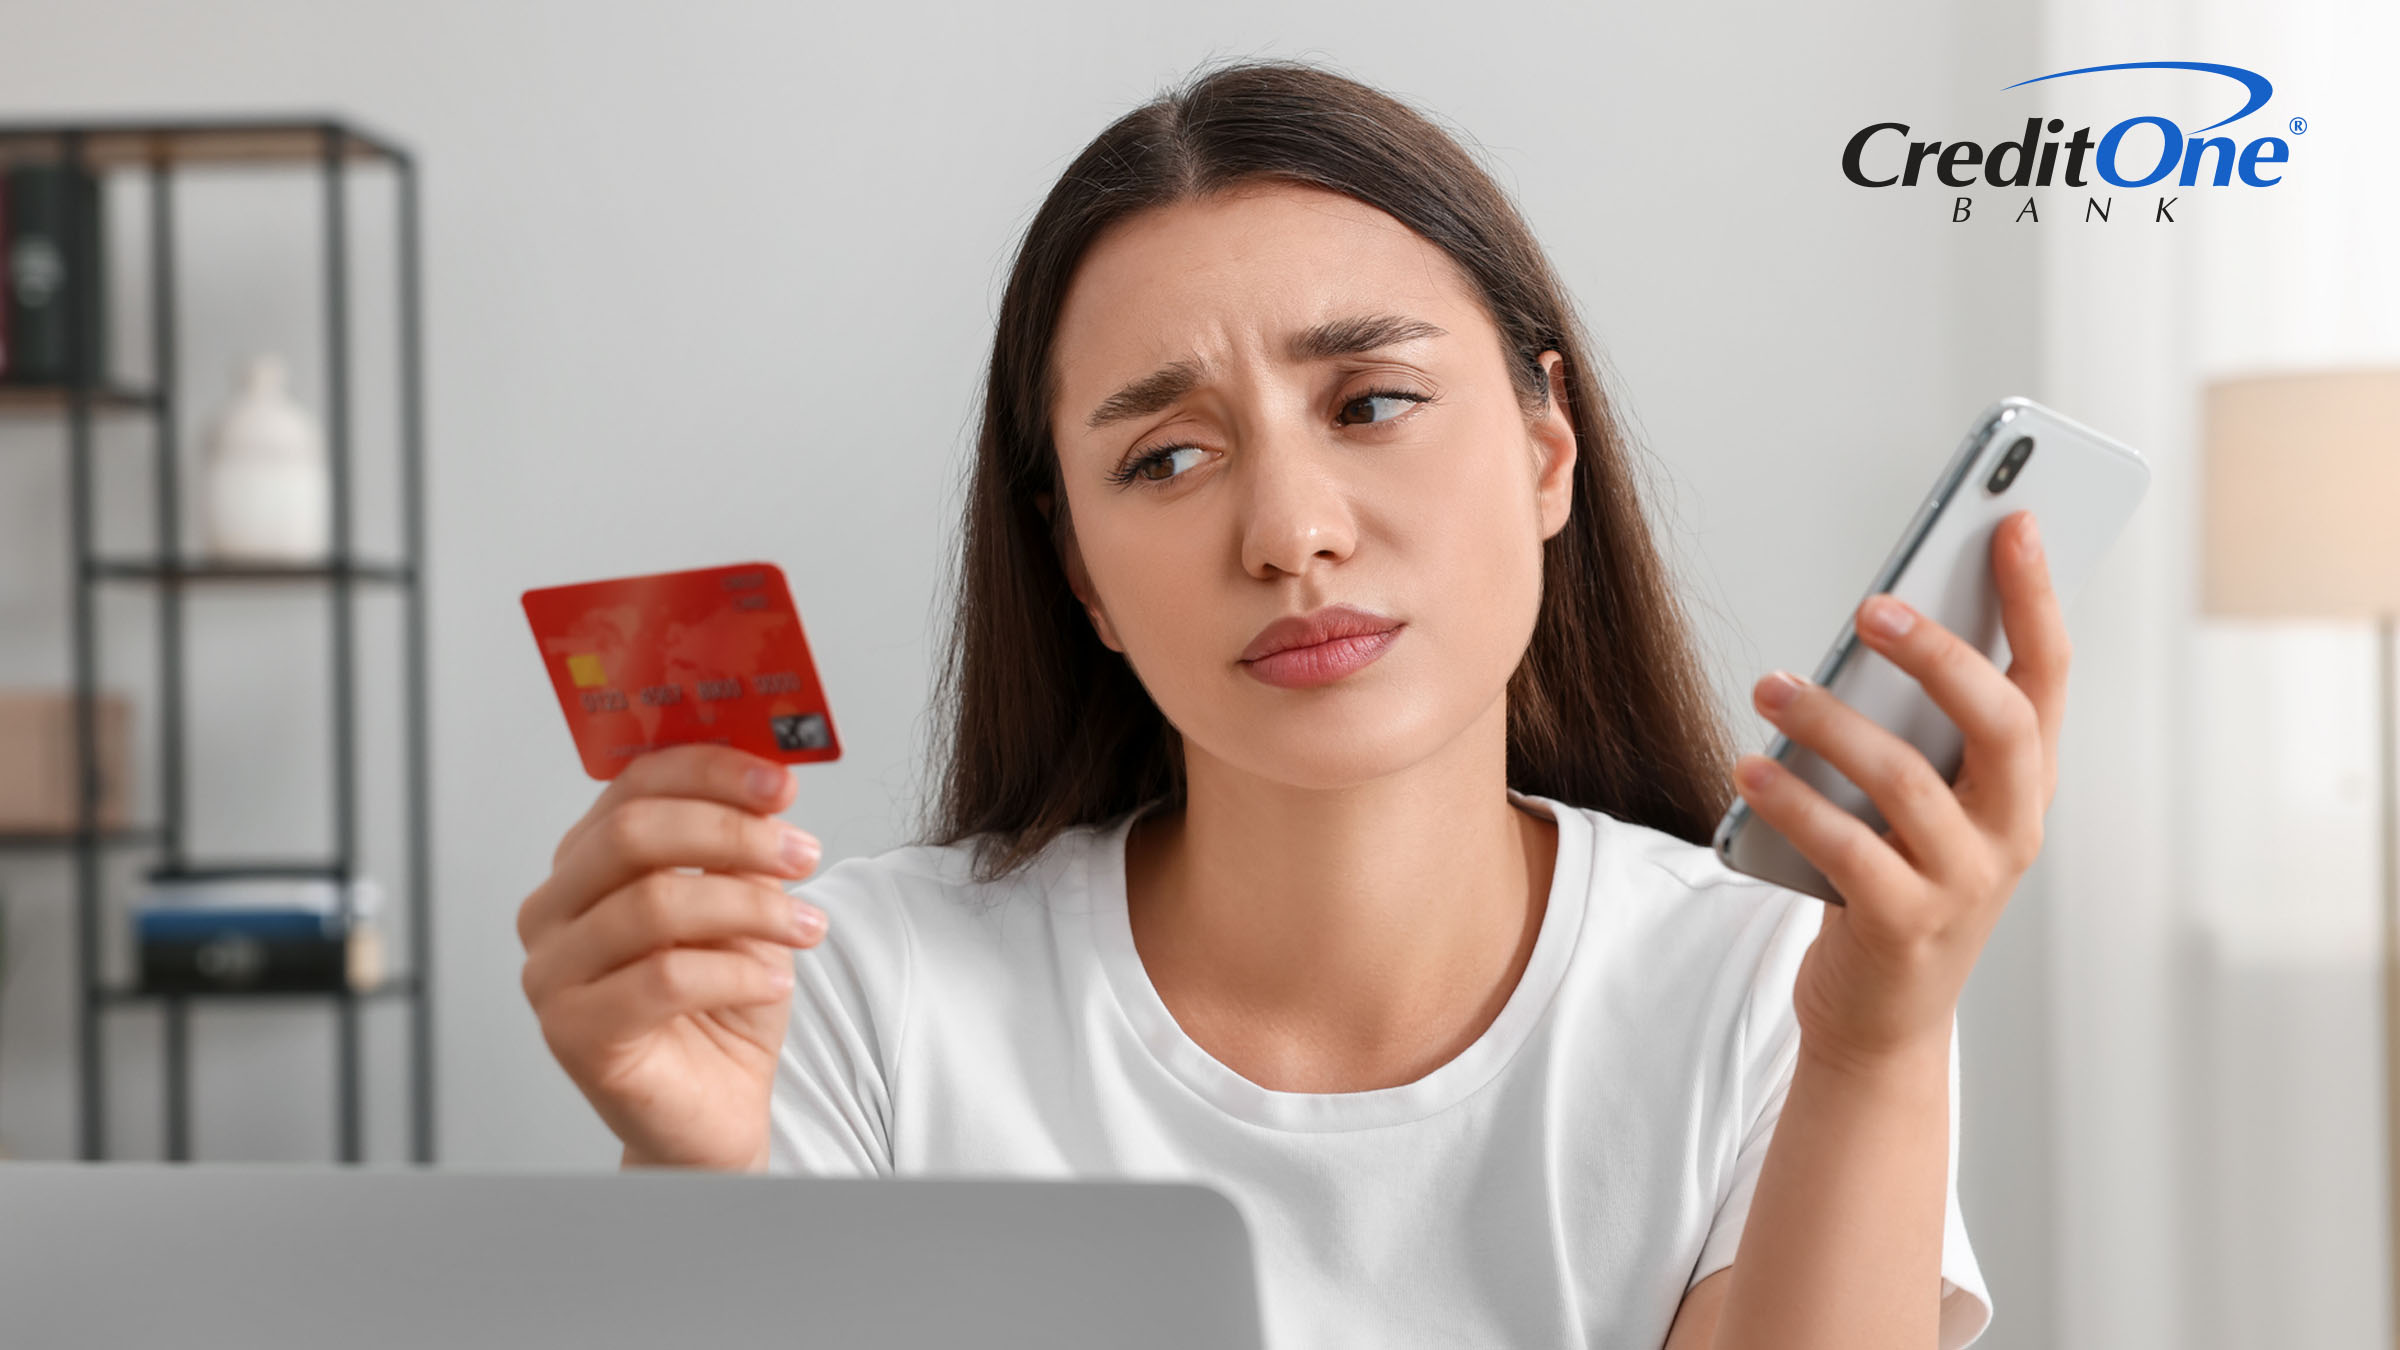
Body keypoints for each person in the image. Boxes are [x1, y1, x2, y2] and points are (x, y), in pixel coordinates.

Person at [518, 59, 2067, 1350]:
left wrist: (1874, 1048)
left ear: (1547, 449)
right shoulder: (853, 988)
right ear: (1084, 579)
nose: (1289, 531)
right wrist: (698, 1171)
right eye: (1165, 459)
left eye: (1372, 403)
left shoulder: (1771, 984)